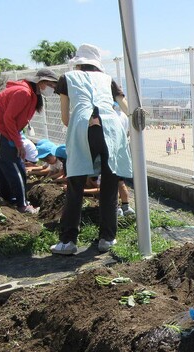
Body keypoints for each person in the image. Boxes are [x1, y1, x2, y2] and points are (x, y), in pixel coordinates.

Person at [50, 43, 132, 255]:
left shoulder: (67, 78)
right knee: (110, 185)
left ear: (78, 63)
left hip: (82, 126)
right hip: (111, 129)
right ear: (97, 64)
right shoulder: (108, 80)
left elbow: (66, 118)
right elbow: (127, 108)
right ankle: (107, 239)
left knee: (75, 185)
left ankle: (68, 242)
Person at [0, 68, 58, 214]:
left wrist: (16, 139)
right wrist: (18, 143)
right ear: (42, 82)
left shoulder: (29, 93)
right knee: (15, 167)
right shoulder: (24, 93)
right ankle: (22, 205)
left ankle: (8, 198)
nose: (53, 89)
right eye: (52, 85)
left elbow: (15, 119)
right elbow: (9, 118)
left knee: (3, 165)